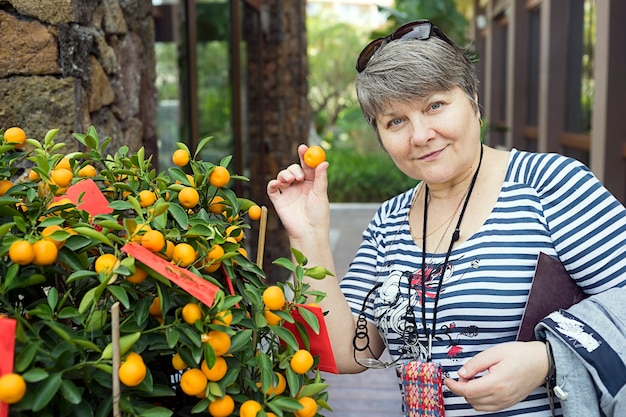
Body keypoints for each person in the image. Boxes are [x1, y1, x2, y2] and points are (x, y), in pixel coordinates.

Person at [266, 20, 626, 416]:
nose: (420, 135)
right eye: (395, 121)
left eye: (435, 105)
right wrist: (309, 233)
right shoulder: (388, 222)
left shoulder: (549, 186)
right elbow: (349, 351)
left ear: (472, 98)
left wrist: (548, 358)